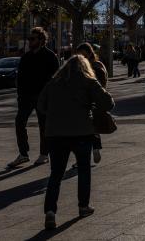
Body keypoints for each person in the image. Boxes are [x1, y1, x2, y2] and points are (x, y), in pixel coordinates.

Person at [37, 54, 113, 230]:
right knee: (84, 170)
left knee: (56, 174)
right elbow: (108, 103)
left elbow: (41, 106)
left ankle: (50, 211)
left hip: (56, 134)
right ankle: (83, 206)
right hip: (82, 132)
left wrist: (56, 113)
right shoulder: (89, 81)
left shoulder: (53, 83)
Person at [8, 27, 59, 169]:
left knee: (44, 125)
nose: (30, 41)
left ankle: (44, 154)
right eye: (29, 39)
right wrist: (20, 95)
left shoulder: (50, 56)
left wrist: (50, 97)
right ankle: (23, 153)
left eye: (33, 39)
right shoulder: (26, 57)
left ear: (41, 40)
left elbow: (56, 78)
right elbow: (20, 77)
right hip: (26, 96)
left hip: (43, 97)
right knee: (19, 122)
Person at [74, 43, 107, 165]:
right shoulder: (87, 65)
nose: (81, 57)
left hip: (90, 102)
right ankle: (95, 148)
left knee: (84, 131)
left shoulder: (94, 66)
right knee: (91, 128)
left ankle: (83, 158)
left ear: (89, 53)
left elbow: (100, 85)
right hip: (87, 102)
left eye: (83, 54)